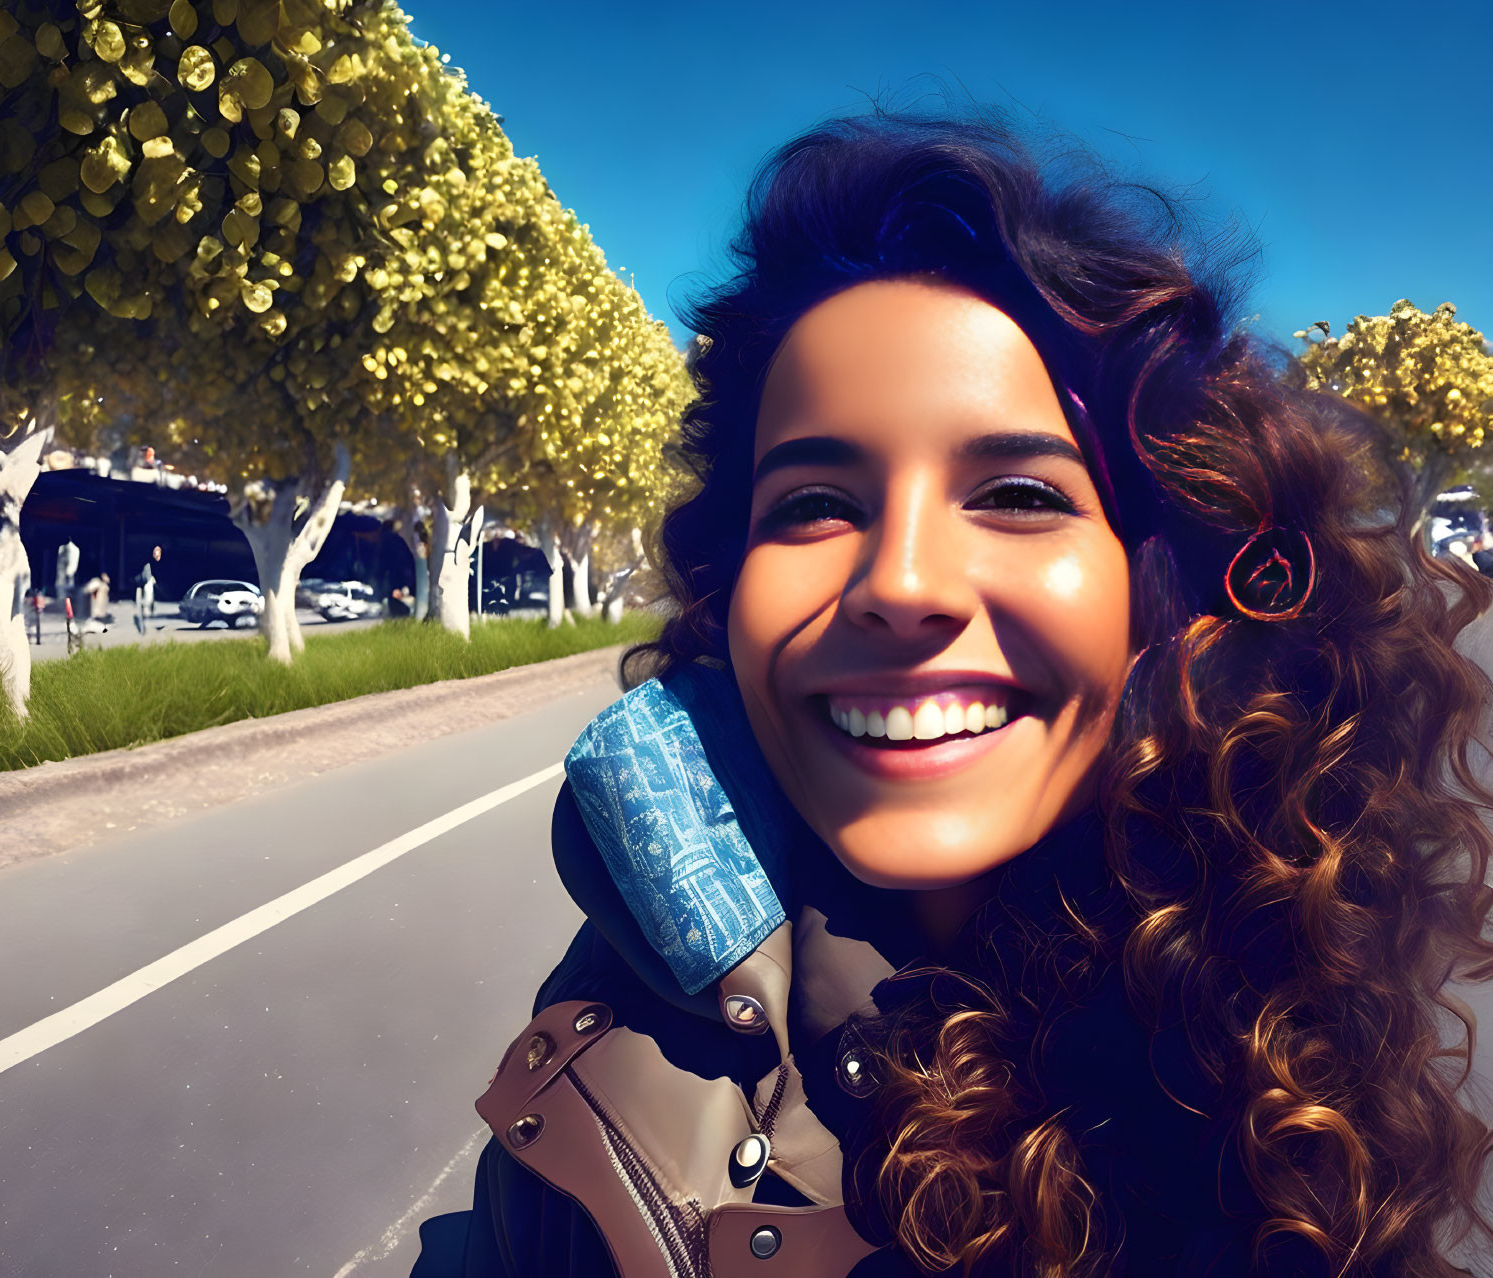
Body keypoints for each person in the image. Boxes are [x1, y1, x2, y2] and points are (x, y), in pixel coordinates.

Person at [423, 110, 1493, 1277]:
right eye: (813, 505)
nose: (900, 585)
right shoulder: (598, 1069)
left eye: (1019, 495)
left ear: (1168, 594)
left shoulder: (1287, 1032)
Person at [134, 545, 161, 633]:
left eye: (159, 554)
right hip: (146, 585)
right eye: (156, 554)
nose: (157, 556)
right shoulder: (148, 564)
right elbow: (146, 576)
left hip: (155, 587)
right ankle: (145, 621)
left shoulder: (162, 563)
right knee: (149, 590)